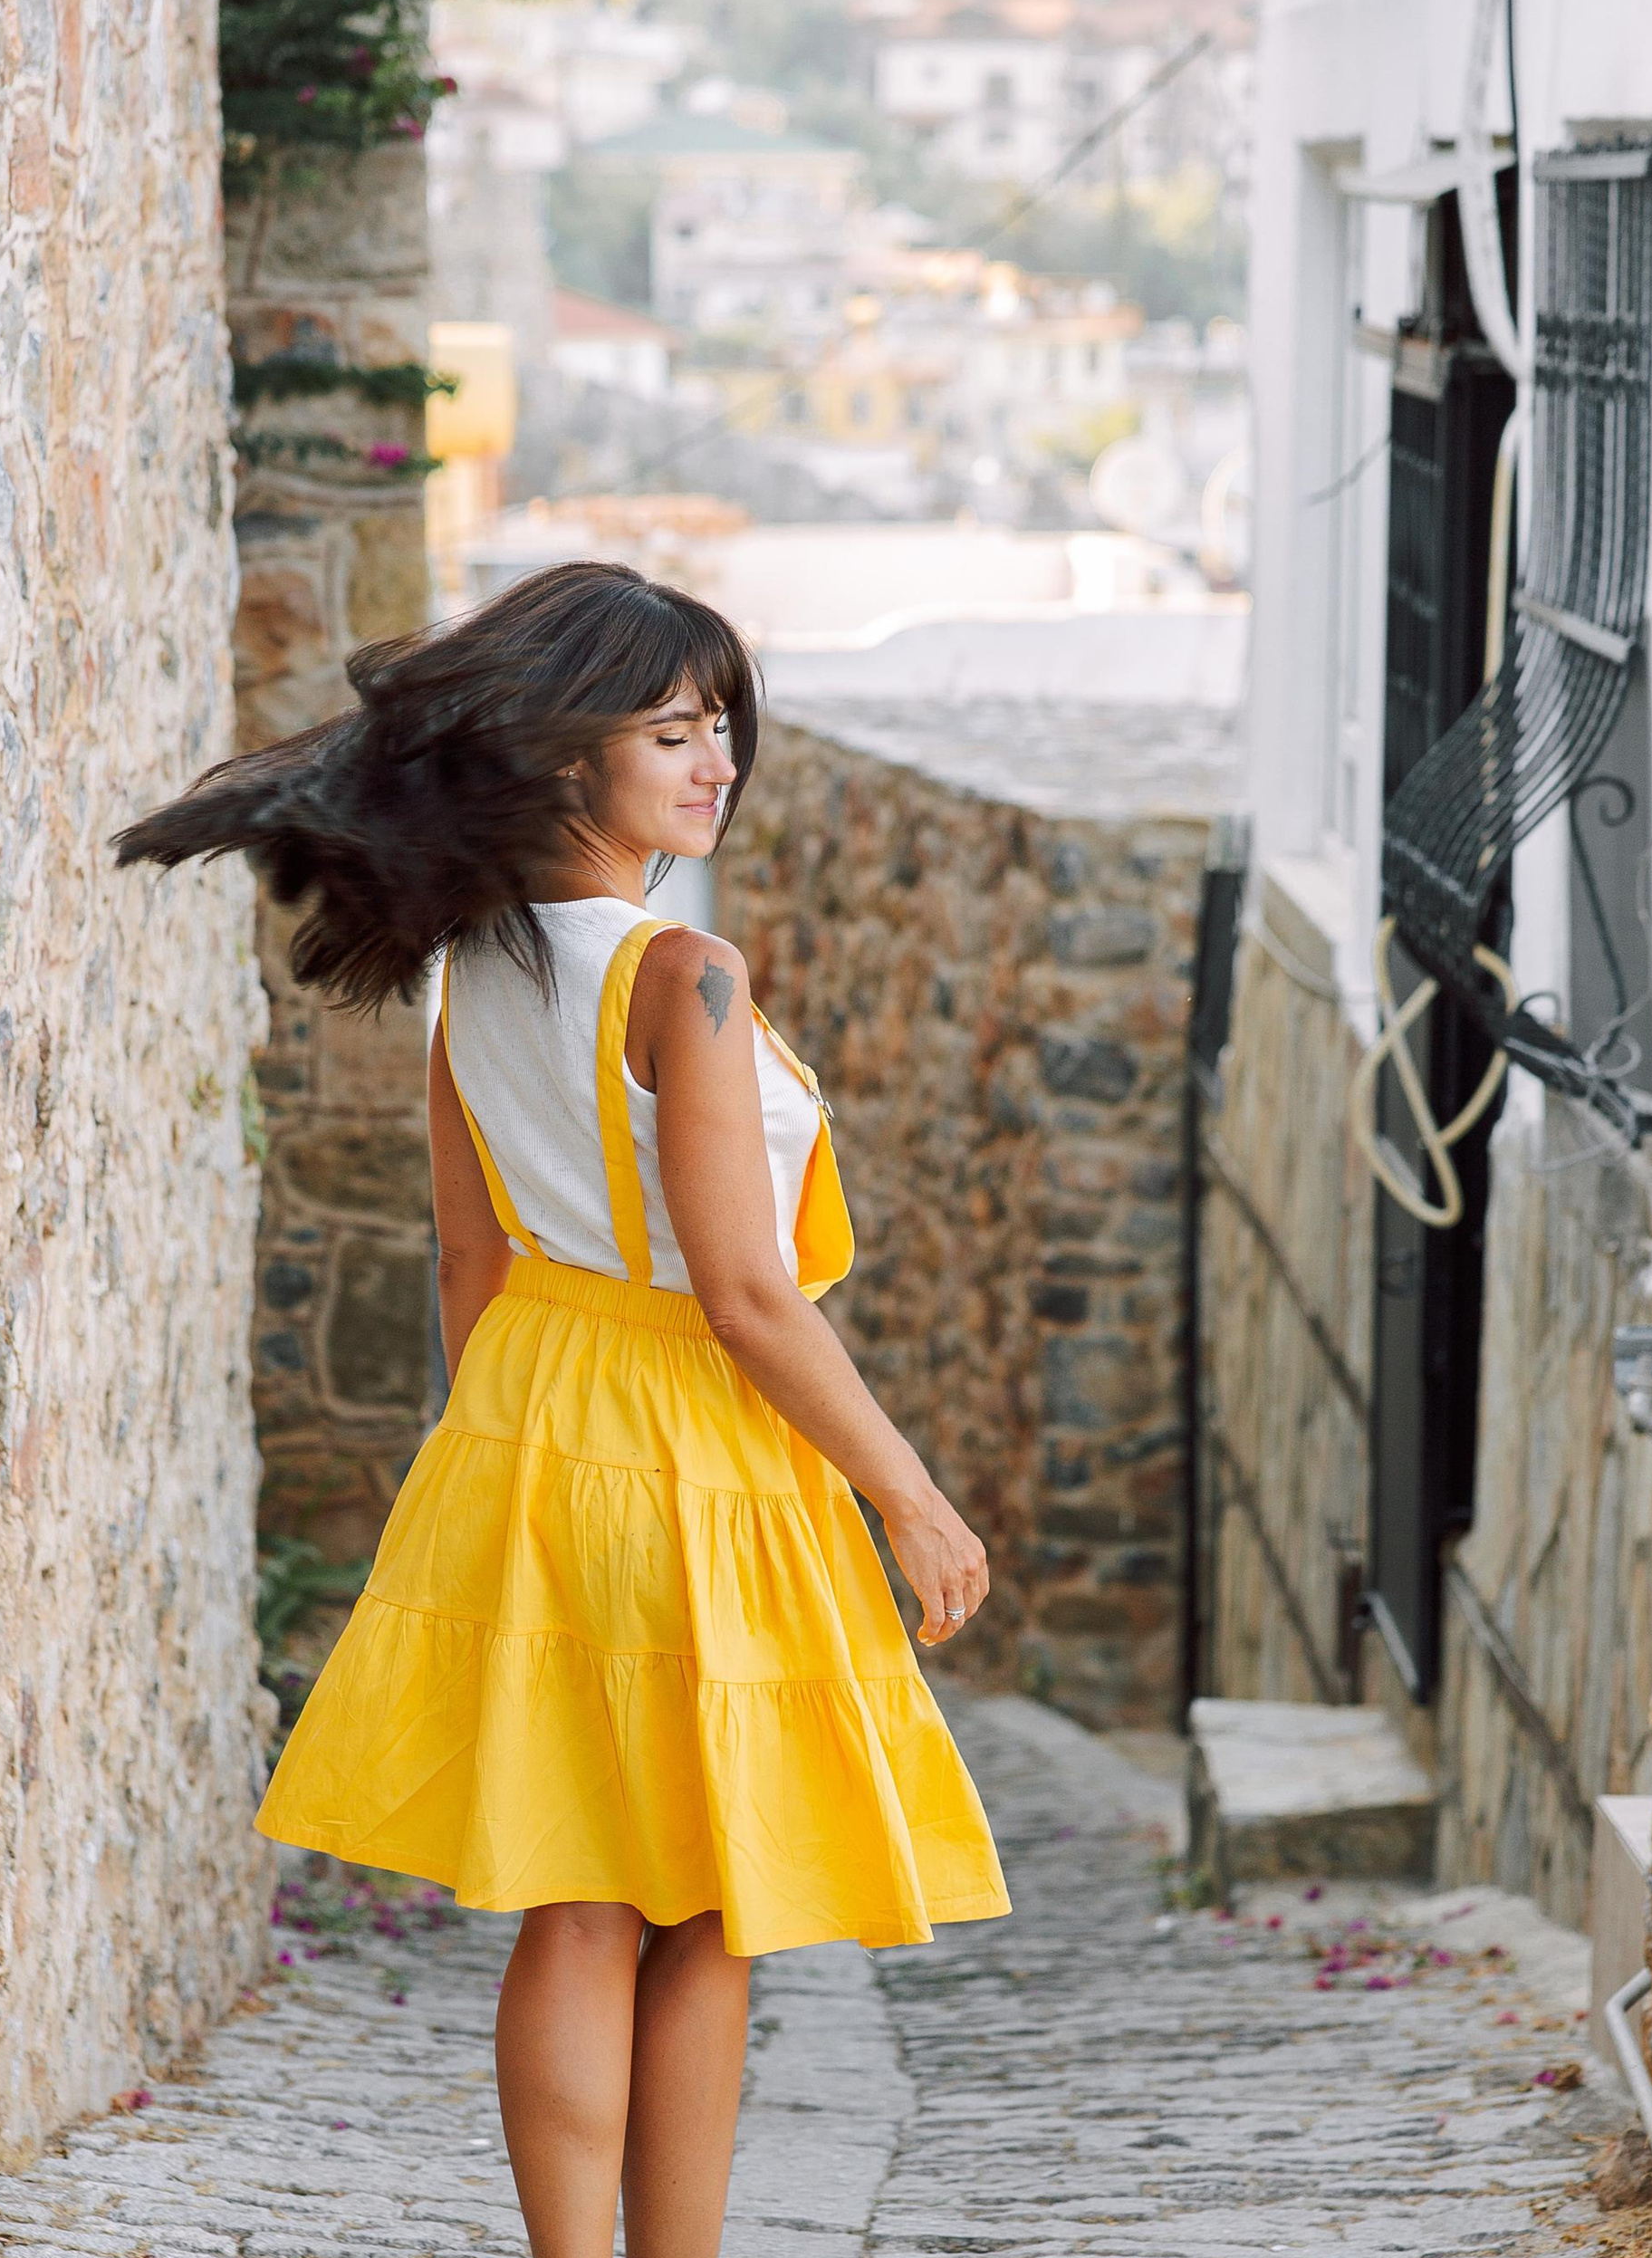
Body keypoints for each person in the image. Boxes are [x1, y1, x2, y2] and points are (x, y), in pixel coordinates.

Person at [114, 560, 1009, 2258]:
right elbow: (746, 1294)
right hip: (697, 1444)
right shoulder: (688, 973)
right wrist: (912, 1496)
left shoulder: (478, 976)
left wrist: (506, 1475)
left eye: (722, 726)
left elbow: (470, 1259)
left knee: (582, 1904)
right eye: (670, 731)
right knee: (713, 1907)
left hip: (536, 1424)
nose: (715, 763)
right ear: (563, 758)